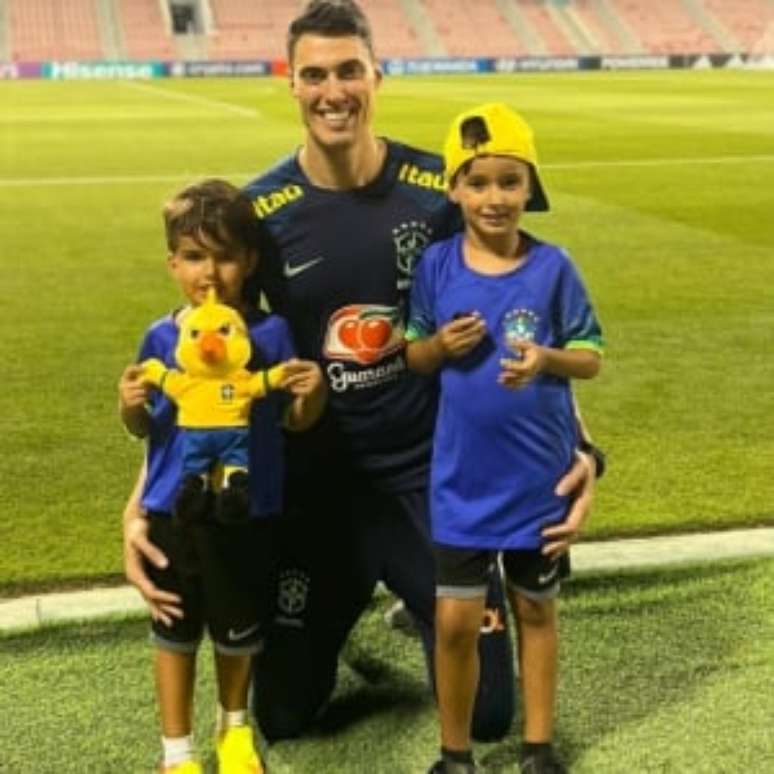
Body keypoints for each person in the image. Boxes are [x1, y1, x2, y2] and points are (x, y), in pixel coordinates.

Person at [123, 0, 602, 747]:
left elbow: (527, 308)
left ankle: (422, 599)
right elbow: (200, 363)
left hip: (427, 481)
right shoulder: (261, 212)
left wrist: (582, 447)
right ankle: (344, 610)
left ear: (378, 74)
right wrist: (139, 503)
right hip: (318, 493)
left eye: (350, 71)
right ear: (291, 83)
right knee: (281, 716)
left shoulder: (438, 189)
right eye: (314, 75)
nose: (333, 91)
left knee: (487, 717)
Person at [406, 104, 604, 774]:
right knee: (457, 623)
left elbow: (591, 355)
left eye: (509, 182)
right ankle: (454, 754)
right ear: (455, 189)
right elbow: (412, 358)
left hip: (537, 479)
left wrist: (547, 359)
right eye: (479, 182)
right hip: (462, 479)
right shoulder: (435, 266)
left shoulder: (553, 268)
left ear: (531, 187)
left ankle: (539, 748)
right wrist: (438, 345)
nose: (495, 198)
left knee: (535, 609)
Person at [118, 179, 325, 774]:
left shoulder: (270, 335)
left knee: (239, 631)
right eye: (193, 257)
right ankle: (175, 750)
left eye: (225, 256)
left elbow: (296, 422)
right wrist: (128, 400)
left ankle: (233, 728)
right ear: (172, 263)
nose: (209, 273)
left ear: (250, 261)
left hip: (246, 506)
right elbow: (143, 428)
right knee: (174, 632)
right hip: (171, 510)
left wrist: (312, 396)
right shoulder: (162, 337)